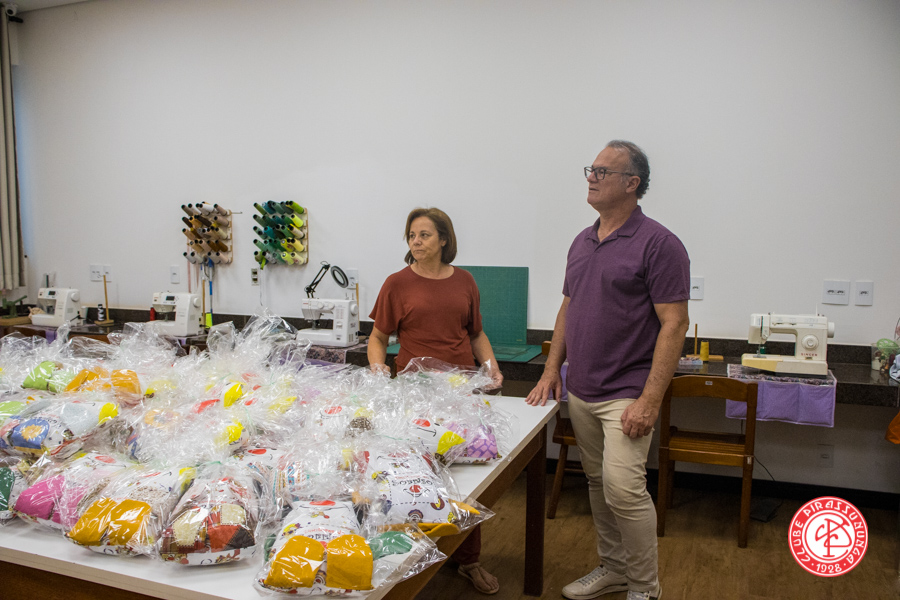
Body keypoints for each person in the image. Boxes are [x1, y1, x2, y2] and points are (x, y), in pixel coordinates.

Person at [526, 141, 690, 600]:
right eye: (591, 169)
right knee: (598, 484)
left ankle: (644, 588)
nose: (591, 177)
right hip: (582, 388)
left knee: (623, 489)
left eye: (602, 171)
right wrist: (552, 370)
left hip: (628, 391)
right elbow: (568, 308)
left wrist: (650, 400)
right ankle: (614, 569)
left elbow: (675, 323)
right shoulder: (582, 240)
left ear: (632, 183)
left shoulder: (659, 243)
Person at [368, 206, 503, 595]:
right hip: (415, 395)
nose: (416, 241)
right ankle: (411, 555)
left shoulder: (465, 281)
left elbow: (475, 334)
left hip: (460, 392)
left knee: (467, 476)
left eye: (424, 235)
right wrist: (378, 369)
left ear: (444, 239)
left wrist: (491, 367)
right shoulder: (397, 283)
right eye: (412, 235)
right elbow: (378, 337)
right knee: (417, 475)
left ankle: (468, 559)